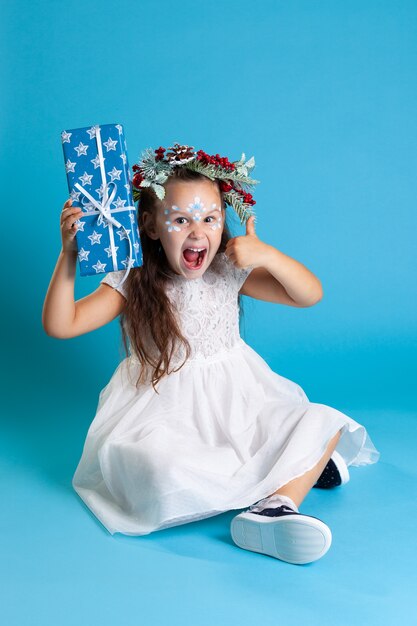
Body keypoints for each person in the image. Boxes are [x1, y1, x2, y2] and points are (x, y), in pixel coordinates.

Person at [42, 143, 380, 565]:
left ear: (223, 222)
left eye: (210, 218)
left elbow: (309, 295)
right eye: (180, 220)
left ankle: (274, 506)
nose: (197, 232)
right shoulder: (132, 278)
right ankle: (295, 468)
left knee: (323, 419)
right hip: (164, 414)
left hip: (239, 404)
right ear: (149, 225)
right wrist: (68, 256)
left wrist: (270, 256)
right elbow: (61, 324)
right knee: (159, 471)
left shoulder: (227, 269)